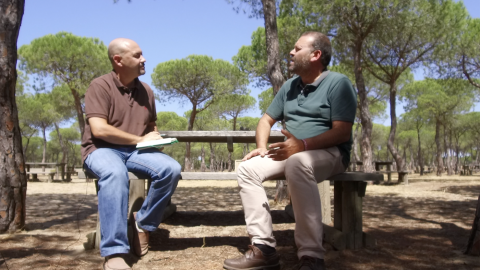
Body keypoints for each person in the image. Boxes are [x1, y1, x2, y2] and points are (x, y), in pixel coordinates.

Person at [222, 32, 357, 270]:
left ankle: (312, 255)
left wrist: (302, 145)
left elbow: (342, 132)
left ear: (316, 55)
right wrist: (261, 148)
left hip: (331, 152)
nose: (291, 53)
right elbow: (265, 121)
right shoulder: (289, 87)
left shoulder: (338, 83)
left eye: (297, 49)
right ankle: (264, 248)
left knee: (299, 162)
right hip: (294, 152)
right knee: (248, 169)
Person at [81, 38, 181, 270]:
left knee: (171, 169)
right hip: (100, 150)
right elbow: (99, 129)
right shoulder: (100, 86)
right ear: (118, 60)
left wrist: (155, 138)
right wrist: (140, 139)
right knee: (116, 174)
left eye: (142, 54)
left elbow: (150, 124)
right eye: (137, 55)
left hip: (136, 152)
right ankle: (115, 252)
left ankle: (143, 223)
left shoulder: (146, 91)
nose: (144, 59)